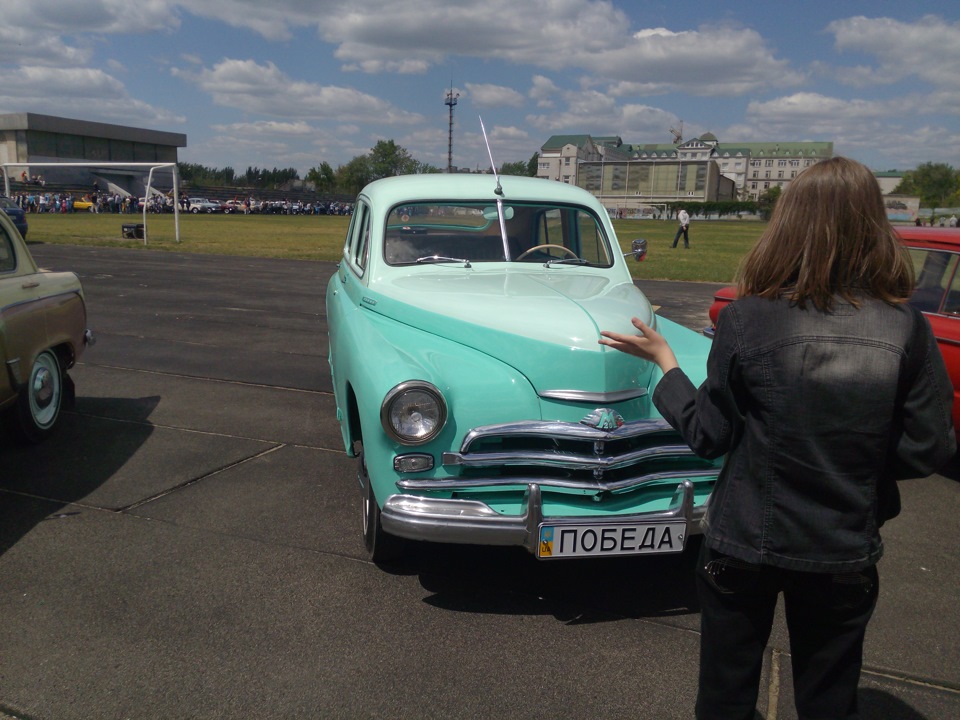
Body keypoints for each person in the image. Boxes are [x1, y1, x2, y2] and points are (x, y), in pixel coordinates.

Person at [599, 156, 955, 720]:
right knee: (828, 698)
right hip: (843, 548)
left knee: (726, 695)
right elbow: (929, 448)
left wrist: (667, 366)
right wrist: (858, 469)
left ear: (788, 223)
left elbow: (708, 435)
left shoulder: (747, 318)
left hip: (743, 543)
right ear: (874, 225)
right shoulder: (905, 326)